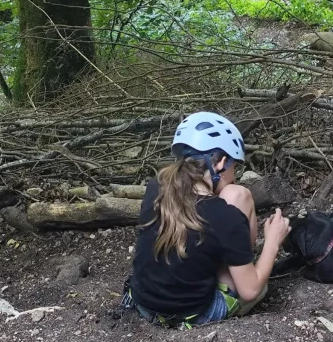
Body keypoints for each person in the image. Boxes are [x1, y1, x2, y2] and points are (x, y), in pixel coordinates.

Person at [121, 111, 291, 328]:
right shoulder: (223, 216)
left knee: (234, 198)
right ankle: (240, 265)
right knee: (258, 285)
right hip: (190, 316)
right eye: (234, 166)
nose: (234, 175)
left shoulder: (156, 187)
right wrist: (272, 243)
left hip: (142, 303)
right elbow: (250, 291)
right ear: (221, 162)